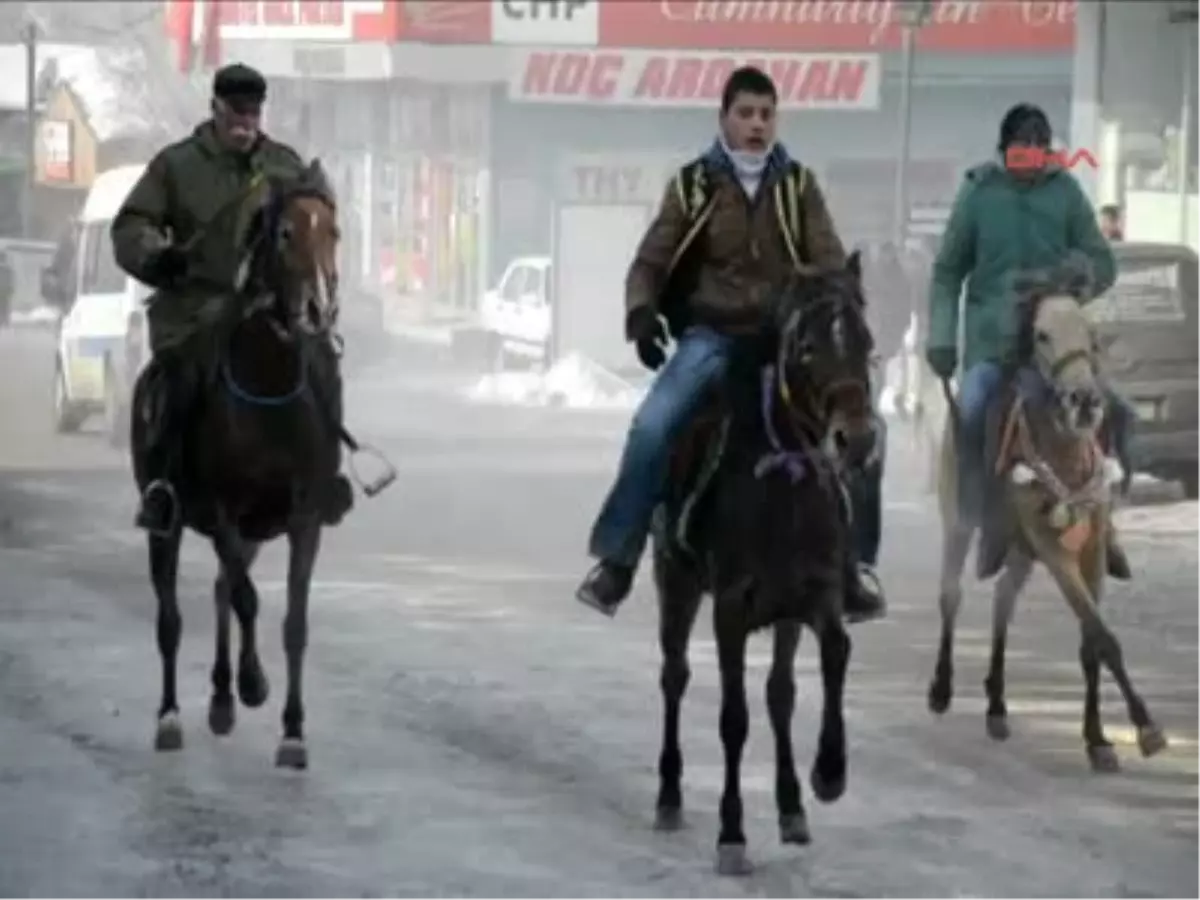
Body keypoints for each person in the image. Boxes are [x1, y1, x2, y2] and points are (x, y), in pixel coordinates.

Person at [575, 66, 887, 622]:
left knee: (866, 430)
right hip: (713, 338)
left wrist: (836, 314)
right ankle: (618, 560)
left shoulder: (799, 186)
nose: (756, 125)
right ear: (723, 119)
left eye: (766, 114)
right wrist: (642, 314)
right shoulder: (692, 185)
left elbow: (830, 263)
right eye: (745, 113)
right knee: (652, 426)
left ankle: (855, 569)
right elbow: (650, 261)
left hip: (787, 345)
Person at [111, 62, 350, 534]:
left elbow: (313, 223)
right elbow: (130, 226)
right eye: (235, 114)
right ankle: (163, 487)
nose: (245, 124)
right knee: (177, 380)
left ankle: (326, 478)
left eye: (253, 114)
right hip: (196, 308)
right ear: (215, 109)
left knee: (323, 364)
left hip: (269, 309)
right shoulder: (176, 166)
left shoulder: (283, 165)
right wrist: (159, 257)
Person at [925, 103, 1131, 580]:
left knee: (1113, 410)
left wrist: (1075, 280)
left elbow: (1104, 262)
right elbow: (947, 271)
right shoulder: (978, 194)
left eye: (1036, 153)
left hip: (1053, 344)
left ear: (1048, 154)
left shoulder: (1067, 193)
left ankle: (1107, 525)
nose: (1027, 163)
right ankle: (979, 522)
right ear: (1003, 153)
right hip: (992, 342)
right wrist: (941, 338)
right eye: (1018, 154)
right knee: (973, 411)